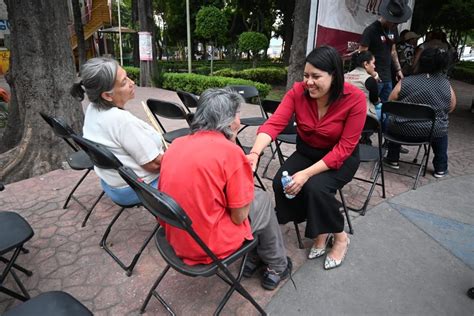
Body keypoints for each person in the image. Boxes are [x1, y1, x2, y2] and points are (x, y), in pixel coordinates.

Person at [158, 88, 291, 290]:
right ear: (230, 121)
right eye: (238, 114)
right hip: (206, 247)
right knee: (261, 199)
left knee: (251, 199)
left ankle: (257, 255)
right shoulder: (231, 154)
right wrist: (241, 175)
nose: (239, 120)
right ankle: (277, 264)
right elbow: (239, 217)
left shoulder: (176, 144)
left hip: (177, 236)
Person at [247, 46, 366, 270]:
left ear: (334, 75)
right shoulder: (297, 92)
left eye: (316, 77)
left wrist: (306, 174)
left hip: (341, 157)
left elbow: (344, 148)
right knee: (280, 184)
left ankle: (340, 237)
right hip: (308, 151)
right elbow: (274, 123)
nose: (308, 82)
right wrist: (255, 153)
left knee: (315, 188)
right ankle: (319, 228)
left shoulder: (355, 98)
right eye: (306, 75)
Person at [70, 57, 165, 205]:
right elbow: (154, 166)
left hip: (112, 183)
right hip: (136, 188)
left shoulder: (93, 109)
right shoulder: (121, 121)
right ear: (107, 95)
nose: (132, 83)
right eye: (124, 82)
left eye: (127, 77)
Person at [384, 47, 457, 178]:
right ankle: (440, 168)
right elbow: (451, 107)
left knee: (394, 121)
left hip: (401, 131)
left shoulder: (405, 82)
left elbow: (390, 103)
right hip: (431, 133)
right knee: (441, 130)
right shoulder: (446, 85)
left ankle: (392, 158)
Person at [359, 0, 412, 103]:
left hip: (387, 78)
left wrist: (398, 70)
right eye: (394, 22)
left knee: (386, 108)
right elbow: (362, 56)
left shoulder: (393, 29)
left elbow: (393, 51)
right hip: (374, 78)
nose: (396, 25)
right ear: (387, 16)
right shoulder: (370, 30)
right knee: (372, 108)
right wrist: (373, 74)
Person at [345, 50, 380, 119]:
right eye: (373, 63)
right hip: (365, 118)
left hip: (345, 113)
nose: (374, 66)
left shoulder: (344, 76)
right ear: (366, 64)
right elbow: (375, 101)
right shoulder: (369, 80)